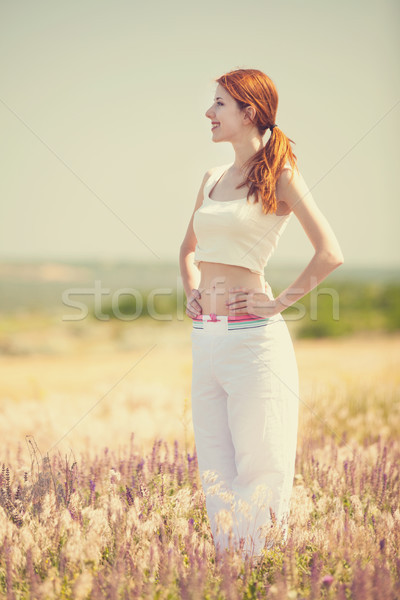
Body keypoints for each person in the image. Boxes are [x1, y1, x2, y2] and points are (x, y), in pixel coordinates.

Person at [179, 68, 344, 560]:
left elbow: (329, 252)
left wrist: (276, 304)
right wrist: (191, 289)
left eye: (219, 104)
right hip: (205, 338)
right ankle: (228, 569)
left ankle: (261, 569)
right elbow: (188, 249)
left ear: (249, 112)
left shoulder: (279, 175)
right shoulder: (210, 178)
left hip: (253, 340)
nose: (209, 113)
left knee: (261, 465)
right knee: (214, 465)